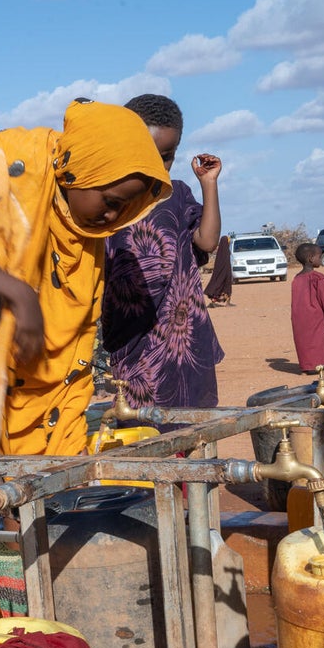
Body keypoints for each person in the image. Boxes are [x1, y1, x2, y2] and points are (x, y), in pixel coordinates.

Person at [0, 98, 171, 507]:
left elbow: (69, 336)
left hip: (0, 266)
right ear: (78, 172)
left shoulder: (78, 224)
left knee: (27, 379)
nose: (114, 217)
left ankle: (25, 508)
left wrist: (18, 297)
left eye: (126, 208)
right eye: (110, 201)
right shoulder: (16, 167)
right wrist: (19, 293)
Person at [102, 93, 225, 413]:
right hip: (134, 345)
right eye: (144, 152)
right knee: (140, 435)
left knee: (196, 431)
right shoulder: (104, 202)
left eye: (166, 156)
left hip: (186, 340)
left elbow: (207, 241)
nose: (155, 165)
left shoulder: (177, 194)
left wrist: (209, 184)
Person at [290, 243, 324, 375]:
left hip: (299, 317)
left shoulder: (296, 279)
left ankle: (306, 367)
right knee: (318, 341)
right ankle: (320, 367)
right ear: (311, 258)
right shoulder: (318, 278)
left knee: (303, 341)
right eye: (319, 256)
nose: (321, 259)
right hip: (316, 316)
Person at [204, 235, 233, 307]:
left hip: (219, 272)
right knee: (226, 286)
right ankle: (227, 303)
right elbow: (227, 263)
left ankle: (214, 302)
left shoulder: (220, 251)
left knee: (217, 285)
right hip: (226, 272)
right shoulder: (226, 251)